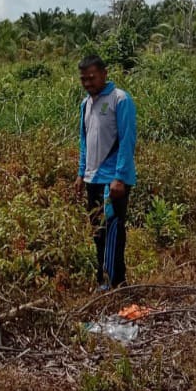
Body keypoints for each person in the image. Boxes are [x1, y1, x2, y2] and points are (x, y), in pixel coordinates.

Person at [75, 54, 137, 290]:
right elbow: (84, 140)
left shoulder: (119, 100)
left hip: (113, 181)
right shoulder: (86, 104)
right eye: (84, 79)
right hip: (93, 179)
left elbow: (127, 139)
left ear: (104, 74)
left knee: (113, 232)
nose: (88, 83)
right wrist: (81, 173)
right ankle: (102, 279)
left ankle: (115, 282)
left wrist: (119, 177)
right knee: (97, 232)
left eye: (91, 78)